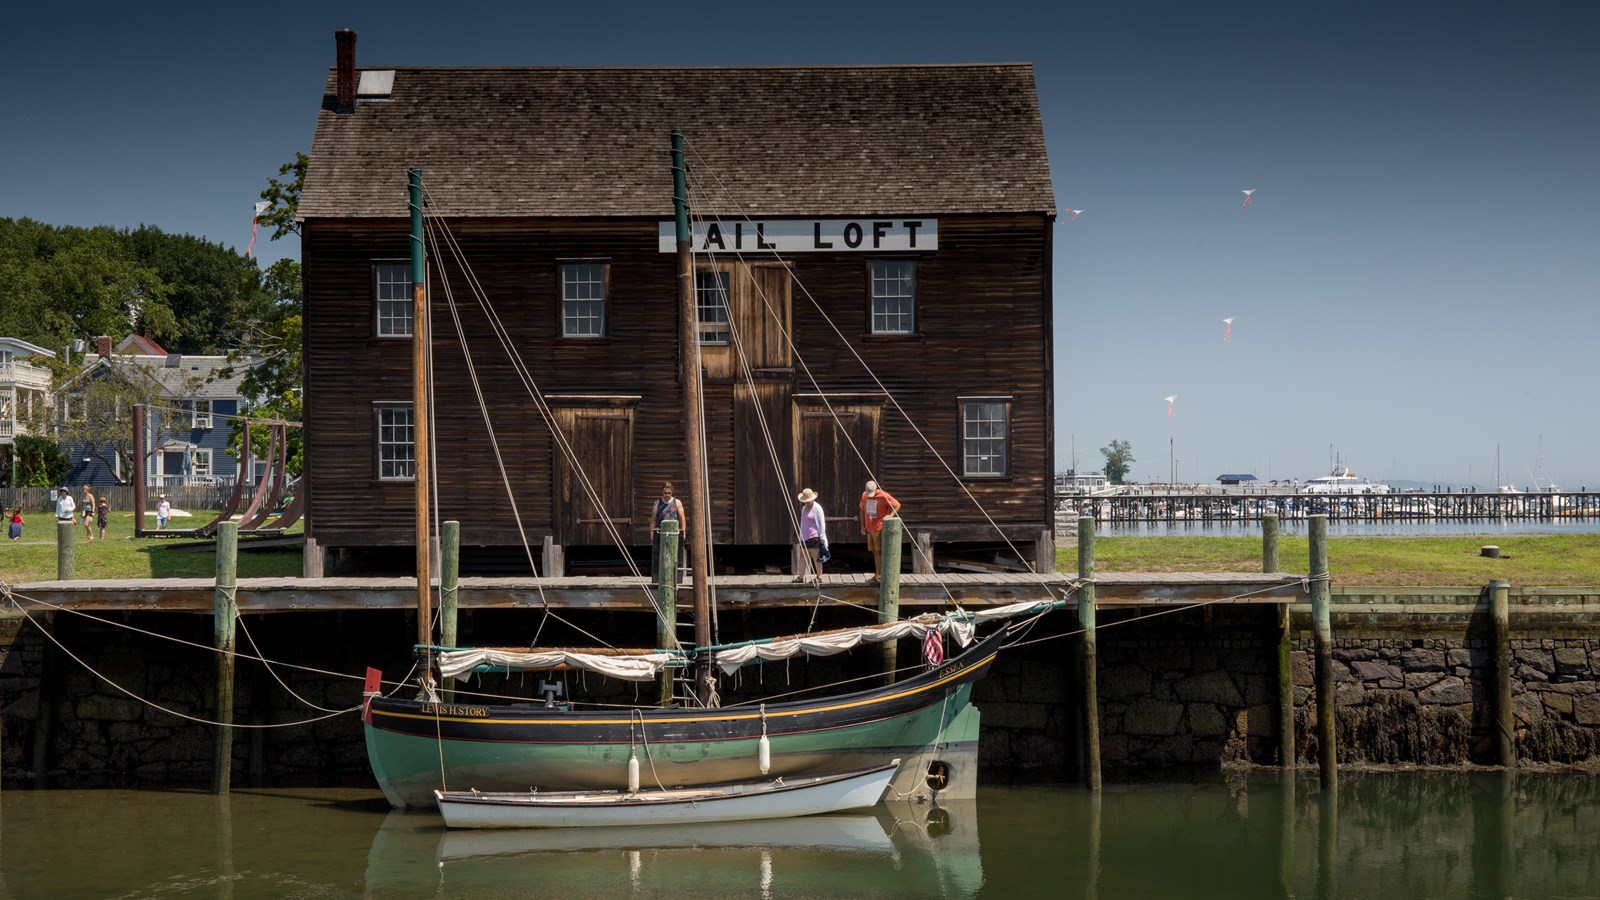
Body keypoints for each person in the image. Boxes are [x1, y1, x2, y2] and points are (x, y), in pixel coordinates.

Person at [859, 480, 902, 583]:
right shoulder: (864, 495)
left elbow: (897, 505)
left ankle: (881, 574)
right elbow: (862, 510)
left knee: (880, 551)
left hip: (879, 528)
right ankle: (878, 573)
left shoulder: (883, 495)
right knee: (874, 551)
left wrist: (890, 515)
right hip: (869, 528)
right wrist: (862, 526)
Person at [649, 482, 687, 582]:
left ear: (672, 492)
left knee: (675, 555)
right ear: (662, 492)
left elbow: (682, 517)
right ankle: (658, 578)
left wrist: (683, 531)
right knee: (660, 555)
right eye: (665, 493)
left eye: (669, 493)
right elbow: (653, 518)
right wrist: (652, 532)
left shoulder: (677, 502)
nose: (667, 495)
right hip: (661, 531)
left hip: (674, 531)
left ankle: (676, 578)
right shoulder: (657, 503)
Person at [795, 488, 829, 584]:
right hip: (804, 536)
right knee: (802, 556)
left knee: (816, 557)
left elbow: (821, 522)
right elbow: (802, 522)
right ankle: (800, 577)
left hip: (814, 535)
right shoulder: (804, 508)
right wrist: (800, 535)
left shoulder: (817, 507)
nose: (807, 502)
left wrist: (822, 536)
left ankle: (819, 577)